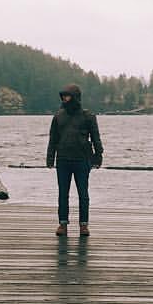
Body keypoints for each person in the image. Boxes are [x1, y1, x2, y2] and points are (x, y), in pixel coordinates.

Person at [46, 83, 103, 236]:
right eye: (63, 96)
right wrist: (50, 158)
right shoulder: (58, 116)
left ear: (76, 97)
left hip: (82, 160)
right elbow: (53, 138)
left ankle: (84, 225)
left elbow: (96, 138)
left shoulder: (88, 116)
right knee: (63, 193)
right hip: (63, 160)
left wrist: (98, 156)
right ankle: (62, 224)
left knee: (83, 194)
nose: (65, 98)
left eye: (68, 96)